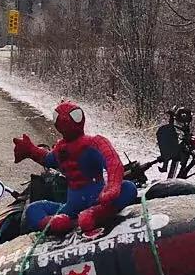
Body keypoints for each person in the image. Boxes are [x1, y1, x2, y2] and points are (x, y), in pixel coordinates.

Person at [13, 101, 139, 235]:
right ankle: (61, 222)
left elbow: (112, 162)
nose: (66, 120)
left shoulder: (93, 143)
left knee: (128, 188)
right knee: (33, 209)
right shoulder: (61, 150)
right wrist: (31, 150)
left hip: (97, 199)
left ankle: (91, 215)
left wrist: (113, 186)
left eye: (74, 115)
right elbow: (48, 159)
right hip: (75, 205)